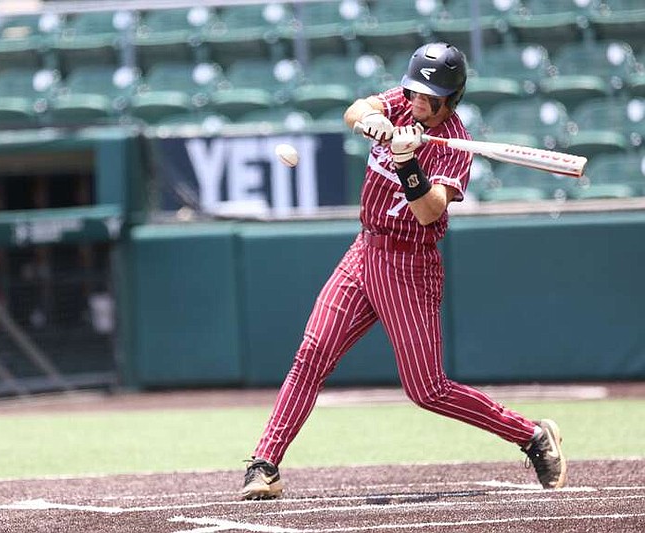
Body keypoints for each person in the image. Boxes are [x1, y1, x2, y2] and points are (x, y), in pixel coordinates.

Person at [240, 42, 566, 499]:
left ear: (449, 100)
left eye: (427, 96)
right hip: (363, 252)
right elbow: (356, 110)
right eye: (412, 91)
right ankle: (265, 464)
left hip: (410, 265)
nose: (414, 101)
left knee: (427, 389)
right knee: (311, 355)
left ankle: (530, 435)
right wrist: (371, 121)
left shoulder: (456, 146)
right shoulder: (401, 102)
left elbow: (431, 211)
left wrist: (408, 160)